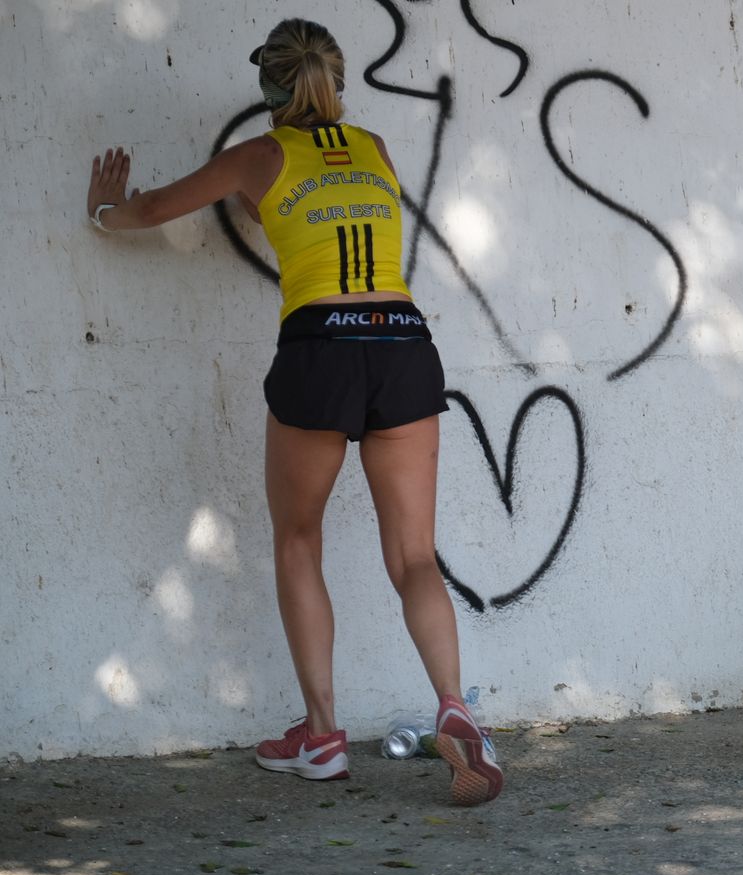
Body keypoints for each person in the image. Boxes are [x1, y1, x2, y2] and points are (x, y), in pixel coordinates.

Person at [83, 18, 502, 805]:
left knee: (298, 537)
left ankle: (321, 735)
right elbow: (327, 211)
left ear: (268, 90)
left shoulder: (256, 157)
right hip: (404, 340)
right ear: (336, 85)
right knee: (415, 554)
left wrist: (106, 211)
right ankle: (455, 704)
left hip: (321, 347)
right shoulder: (375, 150)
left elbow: (157, 208)